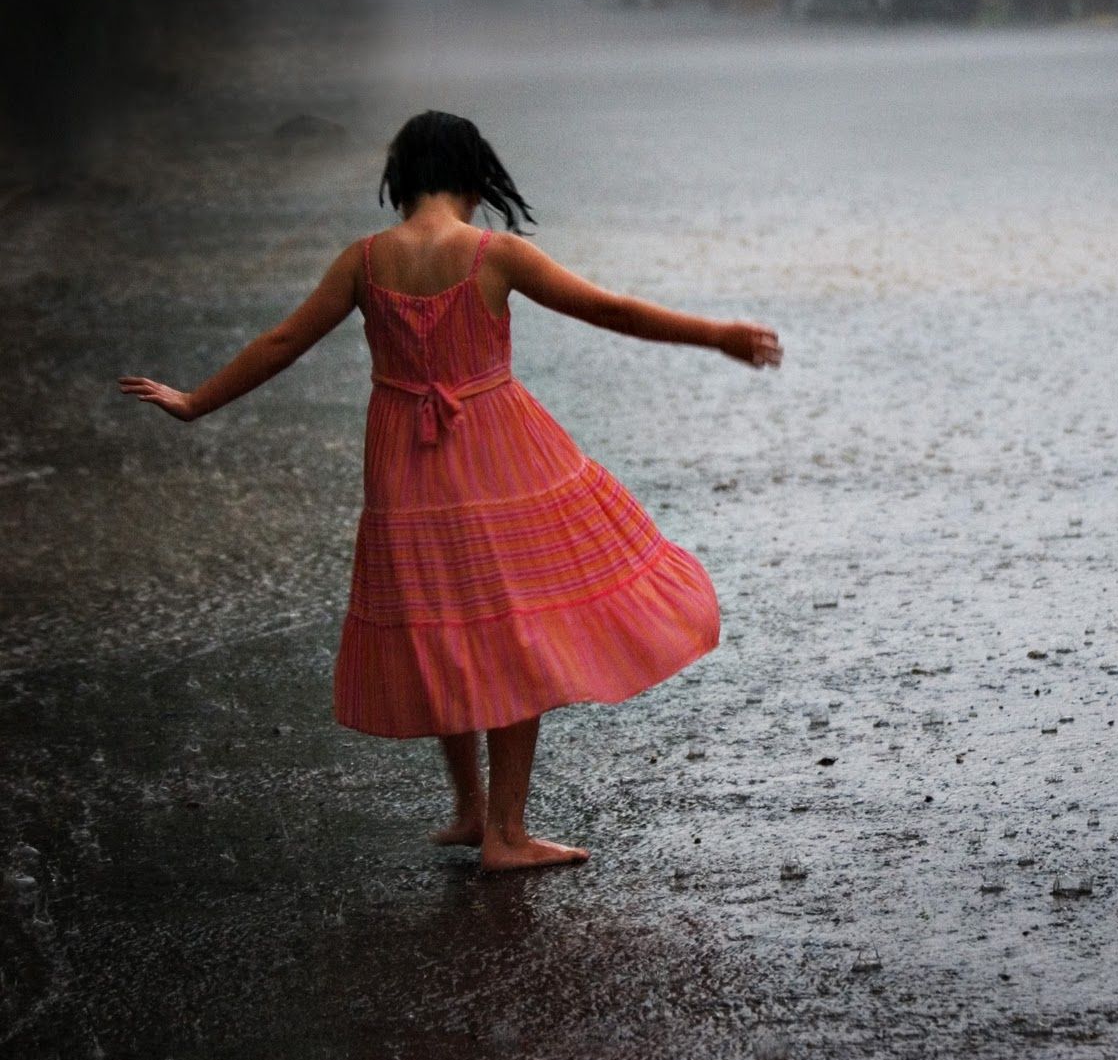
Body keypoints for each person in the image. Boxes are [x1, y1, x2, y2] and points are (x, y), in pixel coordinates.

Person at [118, 110, 782, 872]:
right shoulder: (492, 254)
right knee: (514, 628)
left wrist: (196, 401)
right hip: (500, 452)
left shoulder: (363, 261)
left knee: (445, 624)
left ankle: (468, 810)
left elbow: (281, 343)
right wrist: (717, 335)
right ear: (474, 177)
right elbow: (609, 309)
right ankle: (506, 831)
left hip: (404, 460)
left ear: (401, 180)